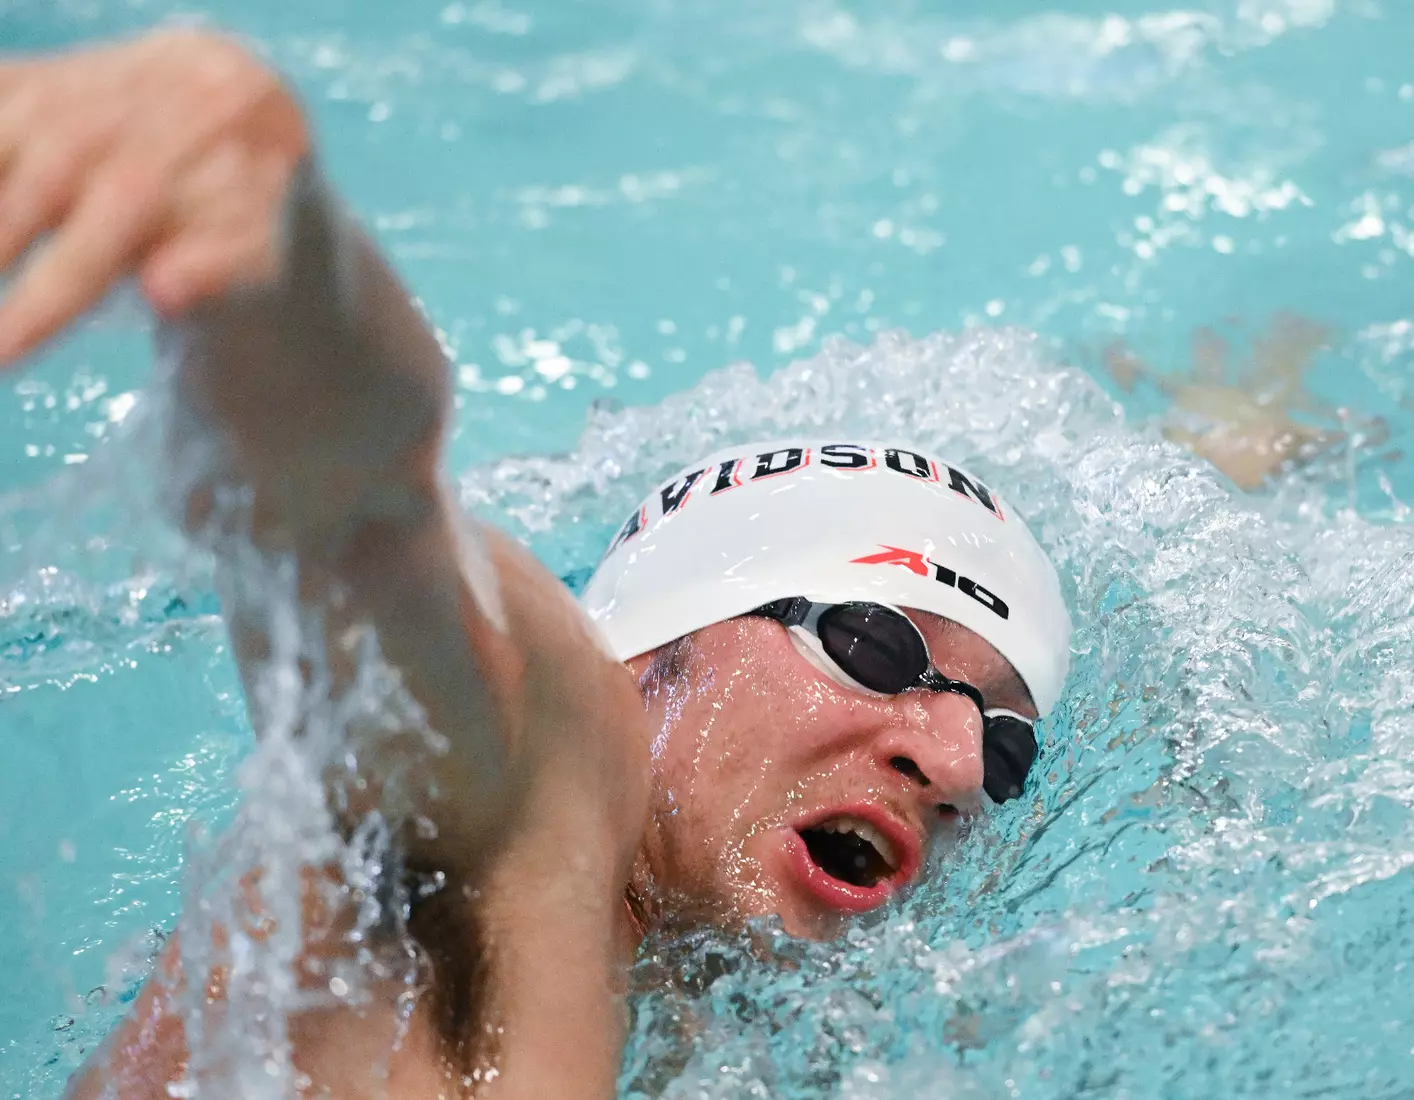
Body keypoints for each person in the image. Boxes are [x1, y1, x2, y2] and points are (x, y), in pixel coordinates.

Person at [0, 30, 1325, 1100]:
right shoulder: (523, 787)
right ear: (649, 654)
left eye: (1008, 737)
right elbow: (369, 502)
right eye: (873, 644)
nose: (959, 764)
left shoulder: (721, 1001)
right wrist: (273, 237)